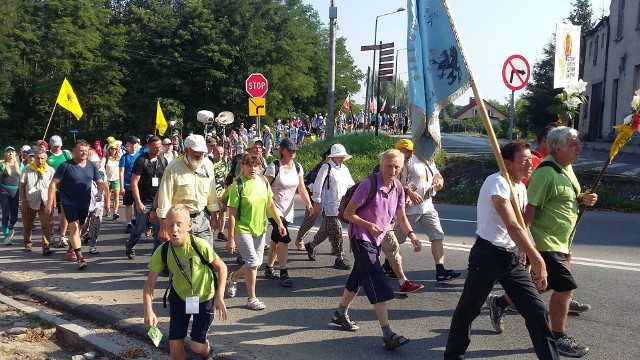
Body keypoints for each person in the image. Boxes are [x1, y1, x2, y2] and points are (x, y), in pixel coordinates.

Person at [444, 140, 559, 360]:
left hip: (512, 259)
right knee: (469, 310)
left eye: (531, 159)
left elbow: (523, 227)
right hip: (488, 256)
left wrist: (526, 253)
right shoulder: (497, 182)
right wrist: (538, 260)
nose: (530, 164)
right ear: (507, 164)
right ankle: (452, 357)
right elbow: (513, 225)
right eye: (524, 160)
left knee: (536, 310)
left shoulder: (521, 186)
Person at [331, 149, 421, 350]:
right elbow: (349, 213)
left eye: (397, 166)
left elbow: (401, 217)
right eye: (389, 165)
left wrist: (412, 235)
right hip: (361, 237)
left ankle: (340, 312)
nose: (393, 169)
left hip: (376, 240)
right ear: (381, 165)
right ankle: (387, 333)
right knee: (375, 278)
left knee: (358, 277)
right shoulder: (368, 184)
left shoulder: (397, 187)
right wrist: (368, 225)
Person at [525, 126, 596, 357]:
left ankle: (501, 303)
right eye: (574, 143)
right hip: (545, 241)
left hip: (562, 241)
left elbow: (568, 197)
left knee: (545, 285)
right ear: (558, 148)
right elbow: (530, 207)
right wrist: (524, 244)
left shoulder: (567, 168)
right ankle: (558, 336)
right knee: (566, 286)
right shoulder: (545, 172)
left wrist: (584, 197)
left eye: (578, 142)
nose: (579, 147)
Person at [143, 204, 227, 360]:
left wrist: (219, 296)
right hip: (181, 298)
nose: (174, 229)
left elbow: (222, 267)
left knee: (197, 346)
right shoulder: (162, 251)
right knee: (175, 348)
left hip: (203, 298)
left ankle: (208, 352)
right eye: (170, 225)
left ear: (189, 225)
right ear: (164, 227)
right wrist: (148, 310)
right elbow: (149, 285)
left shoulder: (199, 245)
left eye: (179, 224)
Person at [392, 139, 462, 282]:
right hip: (410, 208)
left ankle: (440, 270)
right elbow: (396, 182)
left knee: (437, 234)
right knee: (397, 239)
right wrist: (409, 193)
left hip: (427, 205)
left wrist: (439, 181)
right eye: (407, 151)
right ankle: (389, 265)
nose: (410, 153)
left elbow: (436, 174)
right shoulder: (401, 162)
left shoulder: (426, 160)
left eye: (411, 150)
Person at [225, 154, 286, 310]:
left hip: (259, 229)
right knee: (252, 263)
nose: (252, 169)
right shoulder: (237, 185)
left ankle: (233, 277)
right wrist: (230, 238)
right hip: (242, 229)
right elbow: (231, 214)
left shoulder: (263, 181)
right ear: (243, 167)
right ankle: (252, 298)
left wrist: (279, 223)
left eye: (255, 166)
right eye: (249, 165)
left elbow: (270, 204)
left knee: (256, 264)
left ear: (259, 167)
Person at [46, 140, 104, 270]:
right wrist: (50, 203)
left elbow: (100, 182)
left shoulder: (91, 166)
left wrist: (100, 193)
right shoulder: (65, 165)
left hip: (84, 201)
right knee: (75, 228)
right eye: (80, 150)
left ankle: (71, 249)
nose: (84, 153)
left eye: (86, 150)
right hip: (68, 201)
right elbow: (53, 184)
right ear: (74, 151)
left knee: (80, 229)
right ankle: (80, 258)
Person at [263, 139, 313, 287]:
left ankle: (268, 268)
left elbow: (302, 188)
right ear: (282, 150)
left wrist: (309, 204)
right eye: (290, 150)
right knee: (284, 238)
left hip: (287, 209)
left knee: (275, 237)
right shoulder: (274, 167)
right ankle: (283, 273)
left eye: (294, 151)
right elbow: (263, 188)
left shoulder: (297, 167)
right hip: (273, 208)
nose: (292, 153)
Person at [157, 134, 219, 247]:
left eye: (202, 152)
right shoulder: (173, 168)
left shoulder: (208, 165)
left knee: (207, 257)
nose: (200, 155)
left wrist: (214, 218)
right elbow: (164, 197)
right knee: (182, 259)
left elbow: (212, 193)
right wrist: (163, 226)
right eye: (196, 152)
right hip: (179, 220)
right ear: (186, 150)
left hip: (202, 218)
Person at [304, 143, 355, 270]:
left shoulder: (344, 169)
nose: (342, 158)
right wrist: (316, 203)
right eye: (340, 156)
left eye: (343, 156)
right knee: (337, 230)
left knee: (327, 229)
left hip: (341, 204)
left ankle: (311, 245)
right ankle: (339, 258)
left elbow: (351, 185)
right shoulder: (326, 168)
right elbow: (317, 186)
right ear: (333, 157)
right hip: (328, 205)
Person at [125, 136, 167, 259]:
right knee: (140, 227)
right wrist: (138, 202)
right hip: (144, 200)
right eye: (155, 147)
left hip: (159, 201)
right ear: (148, 146)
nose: (158, 150)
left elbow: (166, 181)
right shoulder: (141, 160)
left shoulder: (163, 161)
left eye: (160, 147)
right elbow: (134, 182)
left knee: (158, 229)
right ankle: (130, 245)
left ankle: (156, 257)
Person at [20, 149, 55, 254]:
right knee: (27, 225)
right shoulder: (27, 169)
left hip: (44, 202)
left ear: (46, 158)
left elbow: (53, 188)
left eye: (42, 158)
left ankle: (46, 247)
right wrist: (23, 201)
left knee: (46, 225)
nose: (40, 160)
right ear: (34, 158)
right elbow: (21, 186)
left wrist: (52, 203)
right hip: (30, 201)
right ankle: (28, 244)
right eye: (38, 158)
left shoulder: (50, 170)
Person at [47, 135, 72, 248]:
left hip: (64, 188)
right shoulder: (46, 155)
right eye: (55, 145)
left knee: (64, 213)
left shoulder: (66, 154)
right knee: (50, 212)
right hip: (50, 188)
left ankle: (62, 236)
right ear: (50, 144)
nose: (57, 147)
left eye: (59, 145)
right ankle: (51, 234)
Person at [1, 146, 24, 245]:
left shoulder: (20, 166)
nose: (10, 153)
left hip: (15, 192)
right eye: (8, 152)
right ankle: (6, 236)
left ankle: (10, 227)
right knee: (6, 213)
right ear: (5, 154)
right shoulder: (2, 165)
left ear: (15, 154)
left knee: (14, 216)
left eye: (12, 152)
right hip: (4, 190)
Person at [120, 136, 140, 233]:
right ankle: (128, 222)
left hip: (138, 184)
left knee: (138, 202)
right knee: (128, 204)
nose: (133, 148)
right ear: (128, 145)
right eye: (132, 145)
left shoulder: (140, 156)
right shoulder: (124, 157)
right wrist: (121, 187)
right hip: (127, 183)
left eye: (135, 146)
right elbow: (121, 172)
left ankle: (137, 220)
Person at [210, 146, 228, 243]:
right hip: (212, 190)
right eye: (218, 153)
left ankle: (221, 232)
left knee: (223, 211)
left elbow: (226, 175)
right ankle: (211, 230)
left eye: (222, 153)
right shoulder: (209, 163)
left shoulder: (224, 163)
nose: (220, 155)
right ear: (213, 153)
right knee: (213, 211)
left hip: (222, 190)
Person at [102, 143, 121, 220]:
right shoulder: (105, 159)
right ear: (109, 149)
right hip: (107, 179)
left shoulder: (119, 158)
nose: (114, 150)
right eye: (112, 149)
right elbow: (101, 168)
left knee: (116, 196)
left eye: (115, 149)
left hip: (116, 179)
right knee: (108, 196)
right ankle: (108, 210)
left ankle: (115, 212)